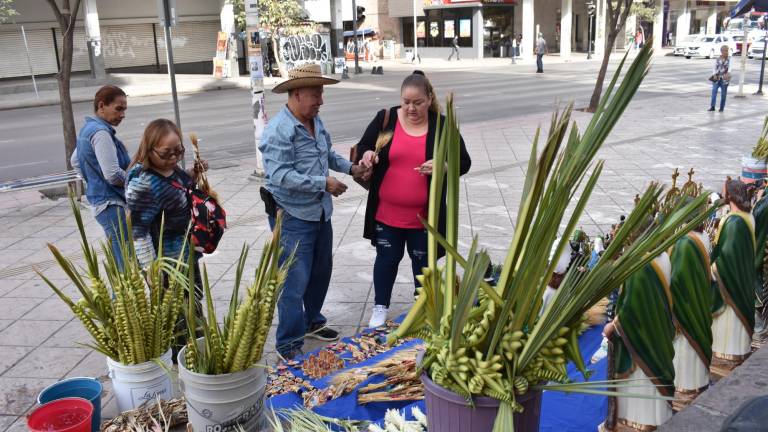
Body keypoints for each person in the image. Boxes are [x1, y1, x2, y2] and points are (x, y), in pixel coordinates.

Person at [260, 63, 370, 360]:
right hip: (293, 216)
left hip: (320, 213)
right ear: (296, 94)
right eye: (315, 94)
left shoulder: (315, 121)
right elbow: (279, 176)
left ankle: (311, 322)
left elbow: (328, 154)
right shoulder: (278, 131)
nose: (321, 100)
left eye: (321, 93)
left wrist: (351, 168)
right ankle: (288, 343)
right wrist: (323, 183)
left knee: (320, 272)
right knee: (293, 281)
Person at [356, 71, 471, 327]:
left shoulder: (441, 125)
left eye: (417, 102)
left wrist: (443, 166)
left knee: (423, 264)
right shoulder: (385, 119)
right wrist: (366, 156)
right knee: (386, 260)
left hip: (425, 217)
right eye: (406, 102)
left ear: (429, 99)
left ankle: (422, 308)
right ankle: (380, 307)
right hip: (386, 213)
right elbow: (363, 145)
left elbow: (464, 162)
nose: (411, 108)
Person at [125, 118, 208, 360]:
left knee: (193, 303)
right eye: (166, 153)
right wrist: (153, 270)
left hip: (185, 253)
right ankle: (185, 359)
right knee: (178, 315)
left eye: (178, 151)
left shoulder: (172, 170)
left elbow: (179, 189)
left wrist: (193, 174)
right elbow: (138, 233)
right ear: (150, 149)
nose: (173, 158)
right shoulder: (144, 183)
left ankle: (198, 351)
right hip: (167, 263)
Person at [603, 252, 676, 429]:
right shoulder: (665, 255)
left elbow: (632, 307)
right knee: (655, 371)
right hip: (659, 331)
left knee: (641, 377)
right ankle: (657, 417)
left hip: (641, 336)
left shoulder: (639, 261)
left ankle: (638, 422)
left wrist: (613, 325)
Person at [70, 85, 131, 269]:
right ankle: (118, 299)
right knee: (125, 267)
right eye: (118, 108)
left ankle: (117, 298)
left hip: (102, 204)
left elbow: (75, 161)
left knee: (121, 263)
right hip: (112, 204)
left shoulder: (88, 129)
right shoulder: (101, 133)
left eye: (124, 110)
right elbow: (113, 174)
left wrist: (94, 181)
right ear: (101, 106)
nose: (122, 115)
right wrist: (135, 181)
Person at [669, 198, 713, 405]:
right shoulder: (704, 237)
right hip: (701, 301)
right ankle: (699, 382)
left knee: (685, 347)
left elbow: (677, 278)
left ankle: (685, 387)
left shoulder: (684, 242)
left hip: (685, 305)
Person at [711, 179, 756, 370]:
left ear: (730, 196)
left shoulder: (734, 221)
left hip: (731, 285)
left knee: (728, 325)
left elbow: (728, 257)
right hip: (743, 280)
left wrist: (712, 269)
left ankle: (726, 356)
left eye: (724, 193)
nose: (722, 196)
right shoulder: (748, 217)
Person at [709, 45, 731, 112]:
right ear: (721, 51)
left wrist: (728, 73)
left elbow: (730, 68)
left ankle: (721, 108)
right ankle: (712, 107)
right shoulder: (717, 59)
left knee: (723, 94)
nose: (726, 52)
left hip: (724, 79)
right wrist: (714, 74)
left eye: (727, 50)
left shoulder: (730, 59)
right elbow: (714, 67)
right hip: (717, 78)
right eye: (724, 50)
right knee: (714, 92)